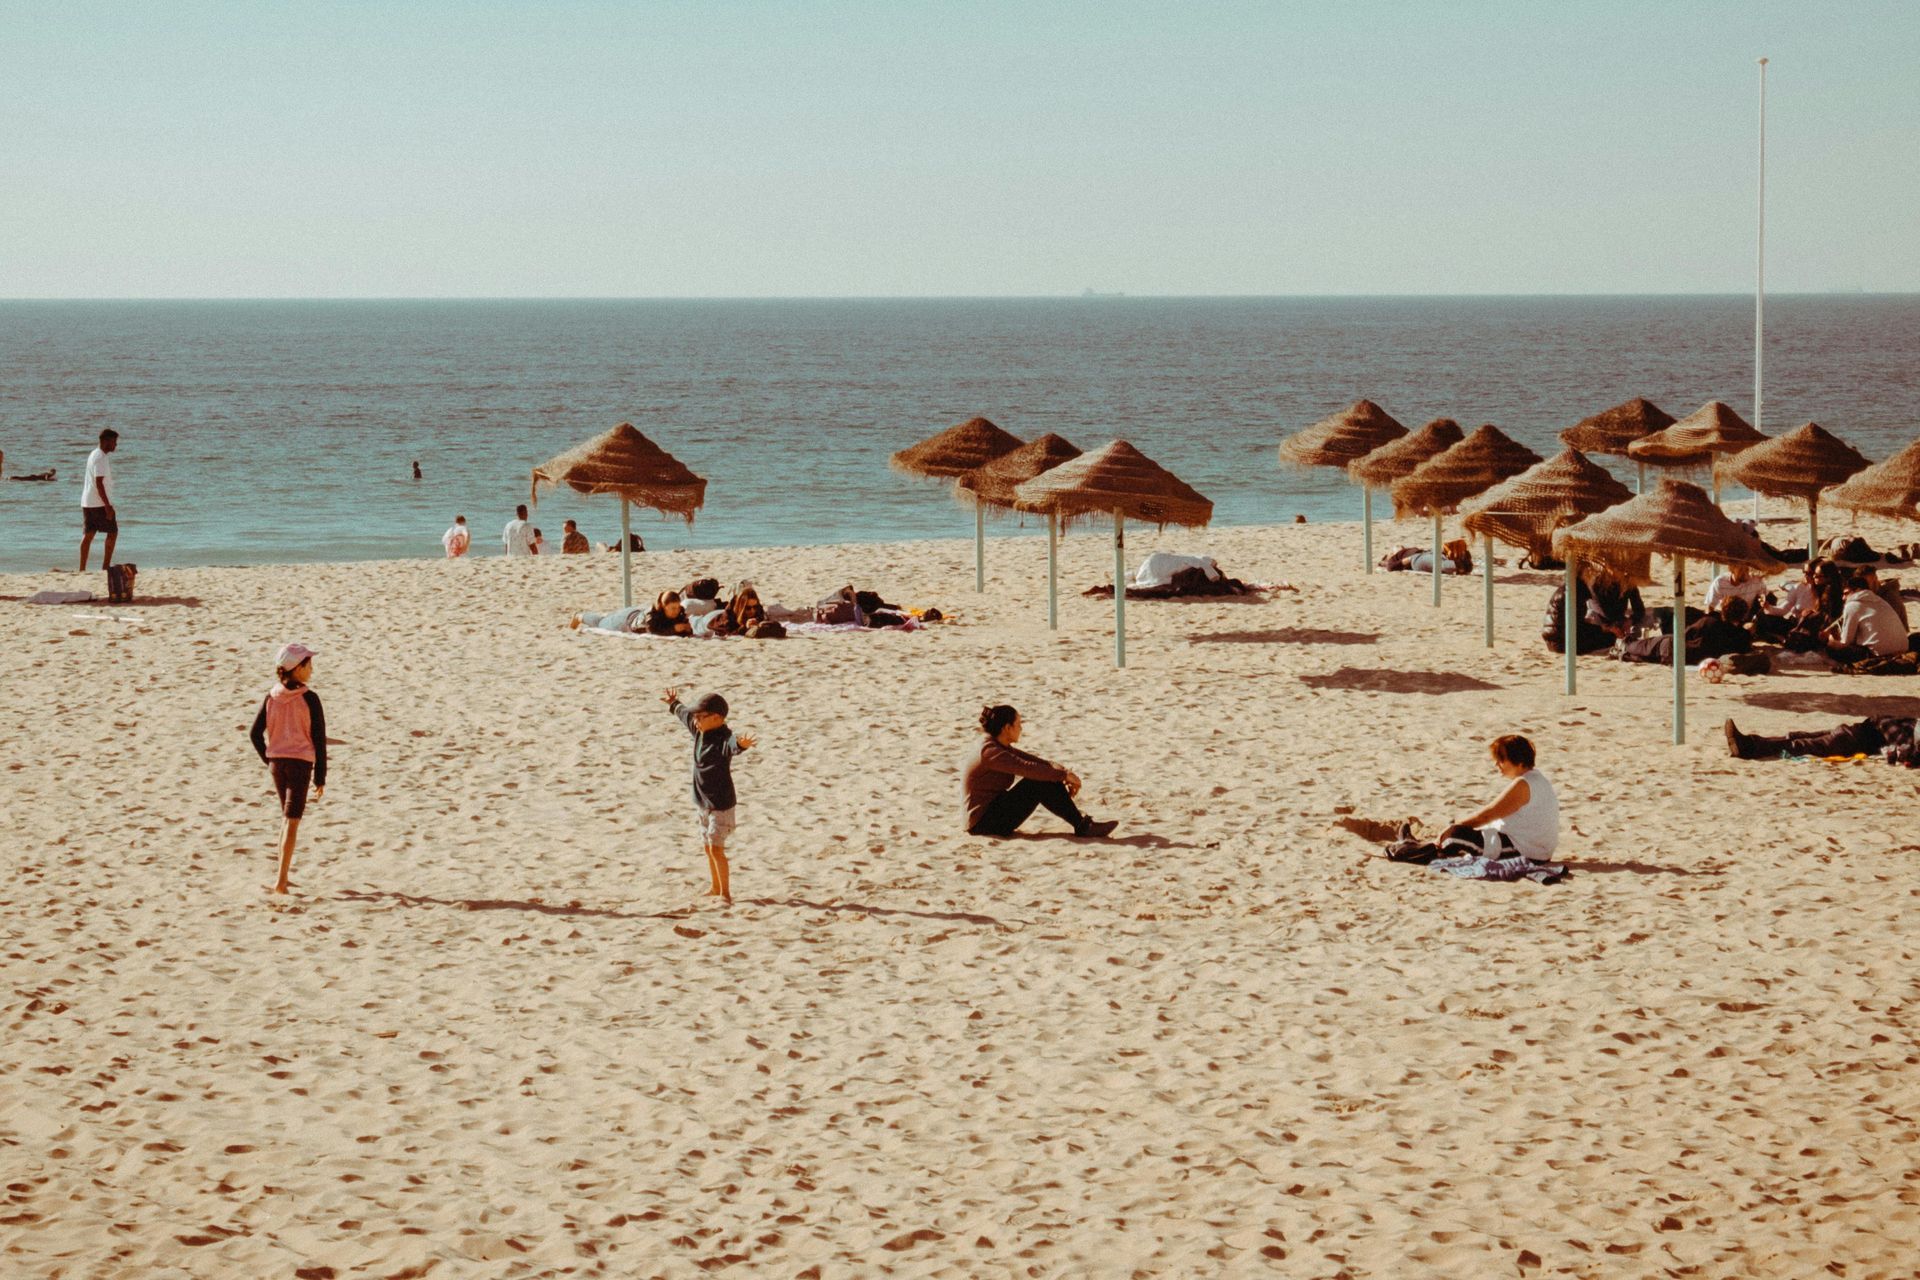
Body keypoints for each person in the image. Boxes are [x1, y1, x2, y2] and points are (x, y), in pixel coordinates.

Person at [963, 705, 1117, 839]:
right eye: (1018, 724)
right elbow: (1027, 768)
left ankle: (1082, 825)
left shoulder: (996, 744)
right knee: (1039, 781)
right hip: (983, 824)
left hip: (992, 812)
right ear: (1007, 728)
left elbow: (1034, 762)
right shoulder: (990, 752)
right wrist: (1063, 776)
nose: (1021, 728)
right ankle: (1083, 826)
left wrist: (1062, 770)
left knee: (1045, 775)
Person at [247, 643, 328, 895]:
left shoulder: (271, 697)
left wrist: (270, 759)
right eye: (308, 664)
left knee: (286, 819)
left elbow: (254, 734)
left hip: (278, 765)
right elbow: (319, 739)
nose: (311, 669)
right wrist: (320, 777)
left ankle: (283, 874)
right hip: (299, 765)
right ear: (297, 668)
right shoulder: (310, 698)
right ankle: (281, 881)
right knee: (292, 822)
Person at [662, 689, 756, 905]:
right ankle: (715, 888)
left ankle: (725, 894)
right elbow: (684, 714)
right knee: (707, 847)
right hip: (702, 802)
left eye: (701, 717)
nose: (695, 720)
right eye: (696, 716)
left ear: (717, 718)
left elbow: (732, 746)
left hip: (721, 805)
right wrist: (674, 702)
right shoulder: (699, 731)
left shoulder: (723, 739)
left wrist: (741, 745)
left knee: (716, 848)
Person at [1408, 734, 1559, 862]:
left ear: (1518, 761)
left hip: (1527, 851)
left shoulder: (1524, 784)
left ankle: (1414, 851)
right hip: (1531, 845)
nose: (1497, 764)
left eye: (1501, 759)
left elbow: (1487, 815)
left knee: (1454, 835)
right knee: (1457, 832)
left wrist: (1454, 828)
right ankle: (1422, 846)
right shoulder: (1536, 779)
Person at [1725, 715, 1918, 765]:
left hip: (1867, 739)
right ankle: (1751, 741)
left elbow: (1905, 748)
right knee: (1807, 737)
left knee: (1809, 745)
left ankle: (1749, 746)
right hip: (1866, 729)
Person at [1542, 573, 1643, 655]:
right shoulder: (1575, 595)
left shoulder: (1570, 591)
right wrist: (1606, 628)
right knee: (1608, 638)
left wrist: (1629, 620)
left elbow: (1639, 610)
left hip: (1554, 638)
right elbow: (1578, 626)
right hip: (1561, 641)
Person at [1824, 571, 1907, 664]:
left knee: (1831, 647)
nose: (1843, 598)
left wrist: (1831, 638)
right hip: (1902, 649)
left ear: (1857, 590)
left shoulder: (1852, 605)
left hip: (1878, 654)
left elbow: (1846, 642)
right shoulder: (1880, 600)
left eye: (1846, 593)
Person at [79, 428, 119, 572]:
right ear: (106, 441)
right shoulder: (100, 457)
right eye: (114, 442)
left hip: (87, 501)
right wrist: (107, 506)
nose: (116, 445)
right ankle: (105, 566)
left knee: (88, 534)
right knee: (113, 532)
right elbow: (99, 483)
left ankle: (82, 568)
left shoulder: (93, 454)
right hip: (98, 503)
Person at [1704, 564, 1769, 616]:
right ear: (1731, 569)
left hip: (1745, 617)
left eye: (1746, 569)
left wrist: (1762, 600)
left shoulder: (1755, 581)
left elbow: (1765, 596)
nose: (1745, 573)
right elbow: (1710, 606)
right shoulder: (1720, 582)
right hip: (1725, 618)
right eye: (1741, 570)